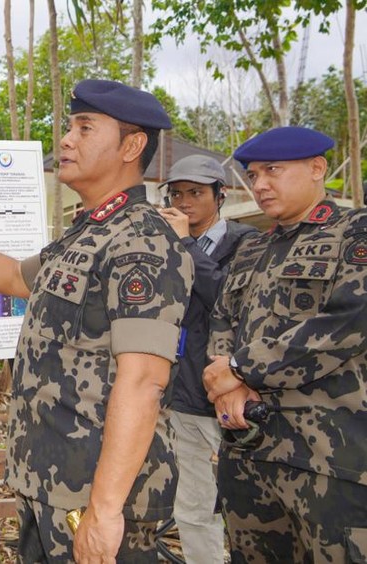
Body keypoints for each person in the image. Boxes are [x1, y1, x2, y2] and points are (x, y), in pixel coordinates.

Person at [0, 79, 192, 562]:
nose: (66, 139)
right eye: (69, 126)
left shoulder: (142, 243)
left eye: (84, 128)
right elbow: (12, 276)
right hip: (49, 481)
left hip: (96, 493)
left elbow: (144, 380)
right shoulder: (87, 235)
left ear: (131, 145)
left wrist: (106, 510)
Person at [203, 126, 367, 562]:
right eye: (253, 174)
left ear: (317, 169)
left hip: (329, 460)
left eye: (272, 170)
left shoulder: (355, 233)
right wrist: (228, 382)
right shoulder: (251, 248)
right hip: (249, 451)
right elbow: (222, 320)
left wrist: (240, 369)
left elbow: (347, 322)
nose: (259, 184)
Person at [156, 155, 257, 564]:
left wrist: (184, 247)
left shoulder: (248, 243)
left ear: (221, 195)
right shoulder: (165, 242)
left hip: (234, 395)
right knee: (194, 508)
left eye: (196, 192)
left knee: (251, 508)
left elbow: (231, 301)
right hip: (184, 397)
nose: (184, 202)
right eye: (177, 193)